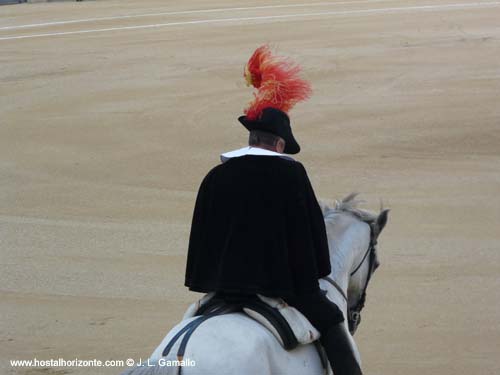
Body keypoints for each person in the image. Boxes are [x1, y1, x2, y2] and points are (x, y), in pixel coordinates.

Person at [184, 45, 362, 375]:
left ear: (251, 138)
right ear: (279, 144)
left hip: (221, 286)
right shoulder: (290, 174)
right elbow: (309, 236)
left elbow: (202, 238)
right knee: (333, 322)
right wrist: (311, 280)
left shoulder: (216, 175)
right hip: (280, 287)